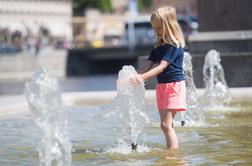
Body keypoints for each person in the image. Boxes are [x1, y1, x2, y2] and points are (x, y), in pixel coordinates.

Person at [130, 6, 186, 149]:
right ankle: (172, 151)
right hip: (162, 87)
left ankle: (173, 157)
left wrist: (142, 78)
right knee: (167, 125)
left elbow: (161, 67)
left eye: (159, 28)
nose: (156, 32)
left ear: (170, 26)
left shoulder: (174, 46)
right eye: (154, 28)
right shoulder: (158, 47)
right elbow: (147, 65)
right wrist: (132, 76)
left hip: (174, 86)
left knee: (165, 125)